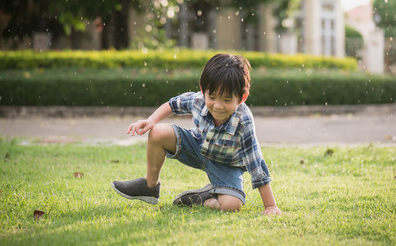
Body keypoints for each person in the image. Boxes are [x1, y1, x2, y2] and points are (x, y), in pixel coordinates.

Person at [111, 53, 283, 215]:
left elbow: (255, 162)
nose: (218, 105)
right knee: (158, 132)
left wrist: (270, 206)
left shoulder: (244, 121)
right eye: (212, 97)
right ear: (203, 89)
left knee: (231, 206)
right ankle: (149, 185)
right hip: (197, 147)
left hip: (226, 165)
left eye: (227, 100)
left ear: (242, 97)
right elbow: (173, 104)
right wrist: (151, 120)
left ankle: (205, 198)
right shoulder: (198, 99)